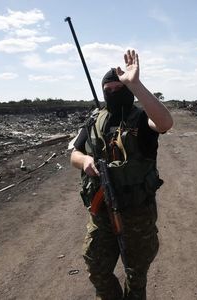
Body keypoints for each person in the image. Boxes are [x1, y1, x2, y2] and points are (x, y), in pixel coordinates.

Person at [70, 49, 173, 300]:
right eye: (110, 89)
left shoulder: (140, 119)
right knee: (96, 267)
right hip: (101, 211)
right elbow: (74, 152)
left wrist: (135, 84)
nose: (114, 92)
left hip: (136, 212)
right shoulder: (95, 119)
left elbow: (165, 124)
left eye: (120, 88)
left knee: (136, 274)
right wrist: (85, 161)